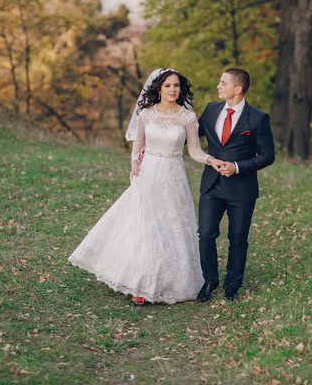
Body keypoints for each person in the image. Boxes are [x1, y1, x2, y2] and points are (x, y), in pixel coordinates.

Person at [68, 68, 224, 305]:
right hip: (148, 173)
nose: (173, 90)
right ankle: (141, 284)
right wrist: (134, 163)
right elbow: (138, 144)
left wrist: (210, 159)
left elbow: (193, 151)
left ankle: (166, 280)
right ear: (158, 89)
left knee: (169, 226)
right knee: (145, 226)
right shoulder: (146, 115)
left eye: (176, 86)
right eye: (168, 86)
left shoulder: (187, 118)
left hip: (173, 176)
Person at [196, 68, 275, 302]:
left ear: (237, 89)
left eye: (223, 82)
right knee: (206, 234)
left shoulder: (258, 118)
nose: (218, 86)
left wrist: (237, 166)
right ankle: (210, 280)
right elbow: (191, 137)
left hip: (242, 189)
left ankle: (232, 287)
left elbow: (267, 155)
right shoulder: (211, 110)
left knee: (238, 238)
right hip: (212, 185)